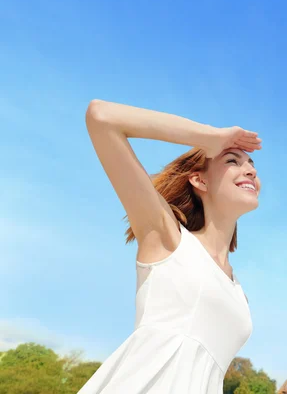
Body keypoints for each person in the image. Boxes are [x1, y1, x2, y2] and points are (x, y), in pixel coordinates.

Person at [78, 99, 262, 393]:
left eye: (252, 164)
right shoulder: (167, 238)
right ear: (199, 179)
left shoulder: (239, 293)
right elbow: (101, 117)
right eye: (232, 161)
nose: (250, 170)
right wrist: (209, 137)